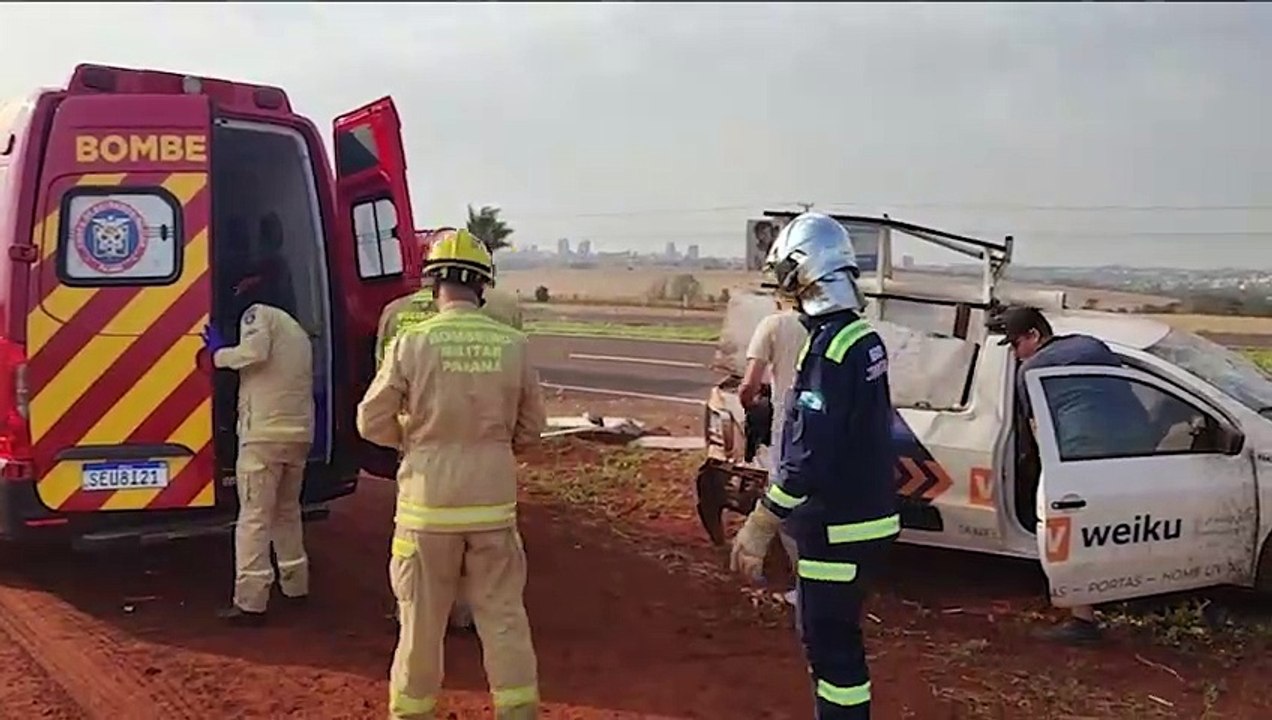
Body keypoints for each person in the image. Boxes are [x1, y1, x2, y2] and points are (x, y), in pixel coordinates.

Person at [358, 227, 546, 720]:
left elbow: (370, 421)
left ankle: (412, 712)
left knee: (419, 625)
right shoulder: (514, 345)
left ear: (432, 284)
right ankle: (517, 711)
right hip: (493, 505)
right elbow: (532, 429)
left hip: (426, 506)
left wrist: (413, 439)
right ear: (483, 285)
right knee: (503, 616)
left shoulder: (411, 341)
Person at [730, 212, 898, 719]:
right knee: (839, 639)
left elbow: (807, 456)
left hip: (837, 527)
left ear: (805, 272)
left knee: (829, 645)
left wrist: (762, 522)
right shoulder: (861, 337)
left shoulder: (830, 349)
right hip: (865, 518)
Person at [373, 227, 525, 633]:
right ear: (483, 281)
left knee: (420, 563)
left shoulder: (397, 316)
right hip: (490, 472)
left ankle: (416, 611)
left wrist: (410, 439)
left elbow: (376, 403)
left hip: (423, 461)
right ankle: (465, 611)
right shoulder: (507, 314)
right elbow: (523, 410)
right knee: (494, 583)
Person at [998, 306, 1152, 646]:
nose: (1015, 353)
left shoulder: (1032, 371)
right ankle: (1131, 587)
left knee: (1074, 532)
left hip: (1083, 454)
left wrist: (1042, 472)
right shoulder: (1091, 344)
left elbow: (1037, 431)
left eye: (1016, 344)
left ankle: (1083, 620)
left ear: (1034, 335)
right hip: (1137, 445)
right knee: (1123, 526)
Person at [201, 268, 315, 627]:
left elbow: (254, 353)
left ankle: (251, 602)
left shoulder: (259, 313)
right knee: (287, 512)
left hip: (264, 435)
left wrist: (217, 354)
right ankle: (295, 586)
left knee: (254, 518)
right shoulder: (298, 331)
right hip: (298, 435)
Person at [738, 302, 809, 606]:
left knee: (785, 500)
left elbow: (749, 386)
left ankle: (804, 587)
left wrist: (751, 406)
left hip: (789, 426)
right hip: (827, 427)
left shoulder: (774, 324)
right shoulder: (833, 327)